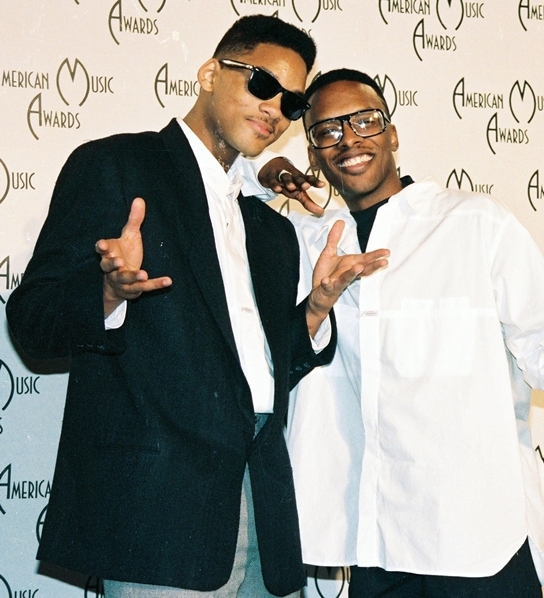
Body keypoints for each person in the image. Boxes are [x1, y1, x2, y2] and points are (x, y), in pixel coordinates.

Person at [261, 69, 544, 597]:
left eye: (365, 122)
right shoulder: (302, 238)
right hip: (366, 544)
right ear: (313, 152)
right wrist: (269, 171)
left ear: (392, 134)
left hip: (475, 540)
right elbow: (225, 195)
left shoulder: (474, 223)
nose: (349, 138)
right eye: (327, 130)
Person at [5, 21, 389, 598]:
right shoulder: (116, 166)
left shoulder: (268, 229)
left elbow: (256, 371)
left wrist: (313, 310)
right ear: (210, 73)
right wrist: (108, 292)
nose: (275, 110)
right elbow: (32, 322)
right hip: (157, 510)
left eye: (290, 102)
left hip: (264, 503)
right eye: (262, 84)